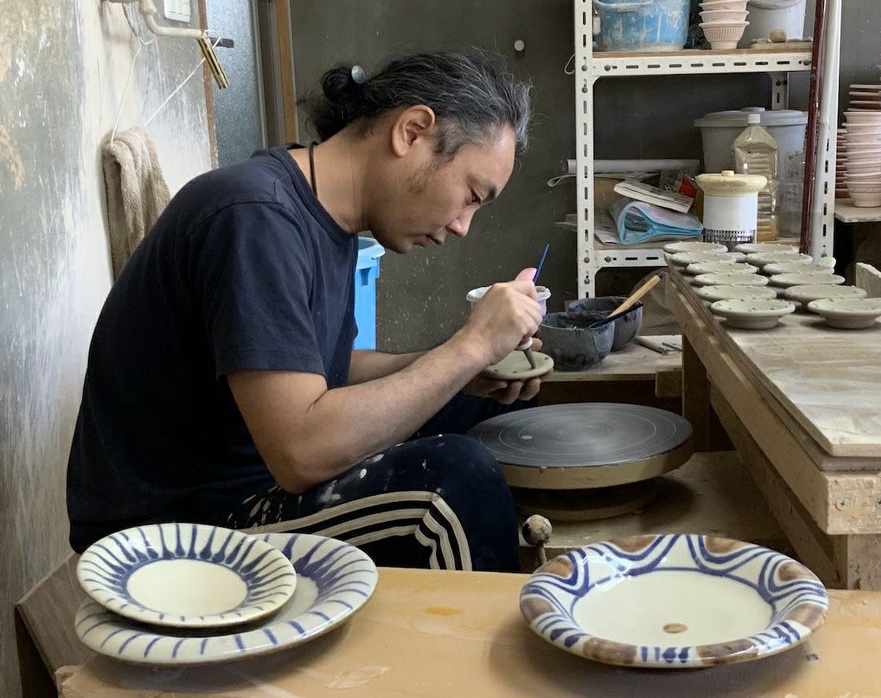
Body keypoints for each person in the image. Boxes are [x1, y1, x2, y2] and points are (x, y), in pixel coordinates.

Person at [67, 51, 541, 572]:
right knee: (454, 479)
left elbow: (326, 371)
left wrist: (465, 368)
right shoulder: (255, 216)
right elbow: (302, 453)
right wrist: (468, 347)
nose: (462, 226)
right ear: (412, 132)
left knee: (483, 407)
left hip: (248, 487)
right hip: (171, 534)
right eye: (471, 195)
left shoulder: (323, 216)